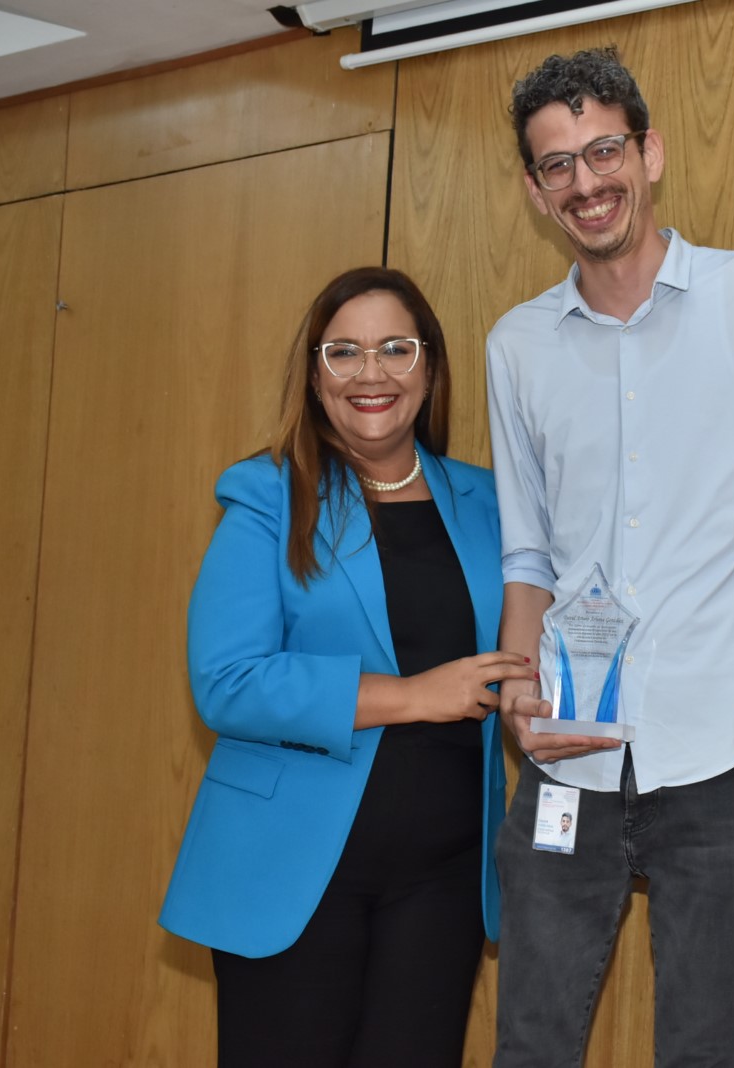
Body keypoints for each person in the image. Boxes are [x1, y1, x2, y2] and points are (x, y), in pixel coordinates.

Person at [485, 47, 734, 1066]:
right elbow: (526, 548)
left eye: (603, 149)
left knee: (702, 1050)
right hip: (567, 747)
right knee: (529, 1042)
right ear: (534, 190)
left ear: (649, 153)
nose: (586, 181)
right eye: (556, 165)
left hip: (718, 747)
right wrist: (520, 700)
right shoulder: (515, 346)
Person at [159, 266, 533, 1067]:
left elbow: (533, 639)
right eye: (344, 352)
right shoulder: (268, 494)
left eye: (396, 348)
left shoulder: (492, 501)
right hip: (292, 870)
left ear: (429, 367)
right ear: (315, 372)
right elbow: (228, 681)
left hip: (444, 879)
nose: (372, 373)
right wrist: (412, 695)